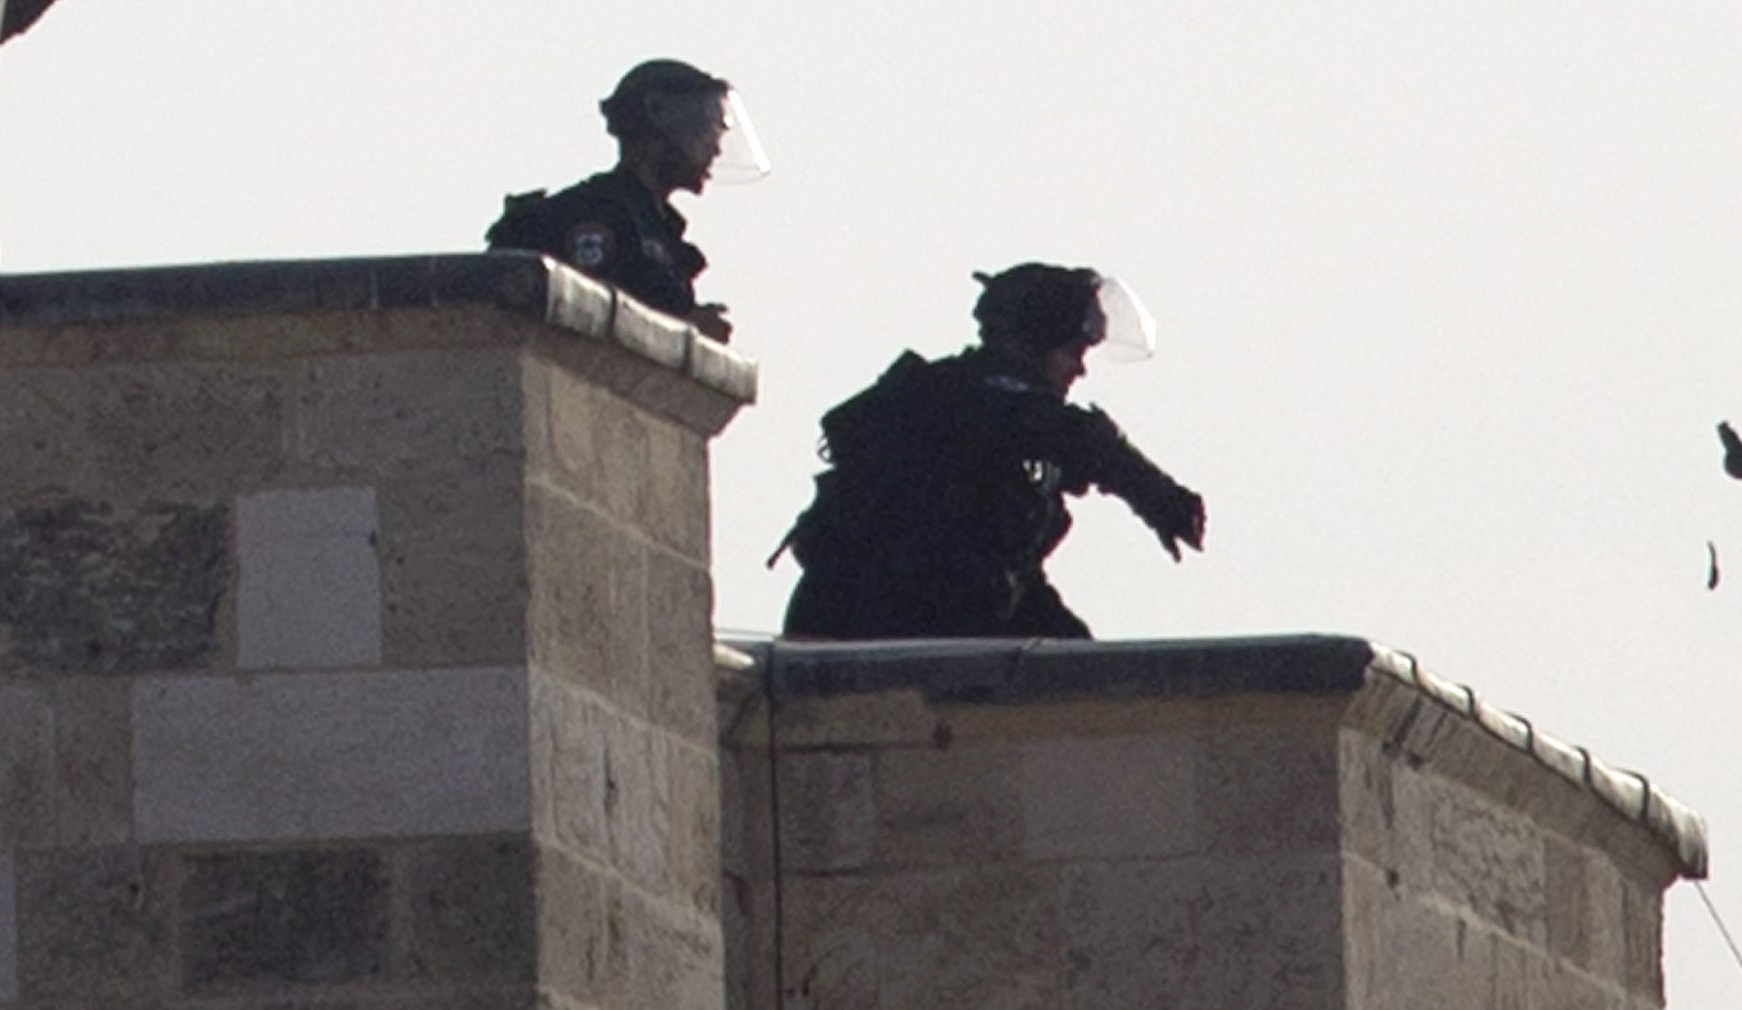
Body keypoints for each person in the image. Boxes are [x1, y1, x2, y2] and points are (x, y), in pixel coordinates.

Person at [777, 262, 1206, 640]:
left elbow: (1004, 572)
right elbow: (1078, 439)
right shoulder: (959, 401)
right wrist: (1158, 495)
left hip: (929, 618)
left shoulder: (1000, 423)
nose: (1080, 369)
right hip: (867, 625)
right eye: (1072, 351)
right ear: (1033, 345)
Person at [487, 59, 762, 339]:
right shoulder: (590, 216)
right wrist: (684, 331)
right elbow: (592, 330)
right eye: (703, 130)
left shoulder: (660, 231)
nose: (715, 150)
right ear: (662, 126)